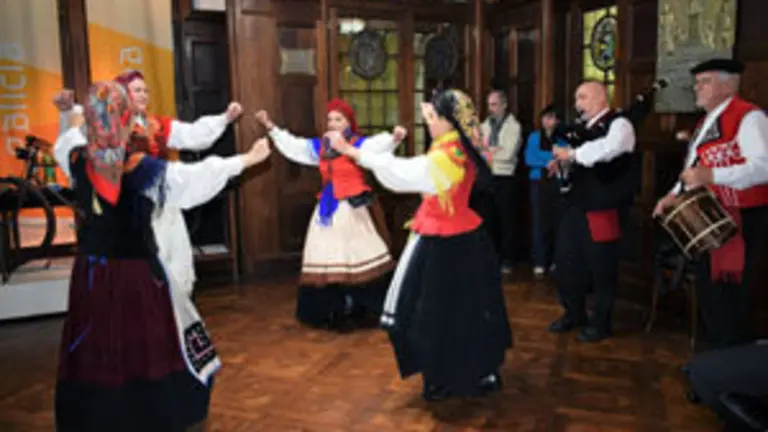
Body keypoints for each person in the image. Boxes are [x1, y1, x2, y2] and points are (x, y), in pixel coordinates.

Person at [52, 81, 271, 431]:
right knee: (143, 339)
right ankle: (147, 410)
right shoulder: (138, 168)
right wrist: (246, 159)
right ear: (124, 119)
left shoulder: (77, 157)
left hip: (91, 272)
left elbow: (64, 143)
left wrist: (69, 115)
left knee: (98, 339)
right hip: (134, 272)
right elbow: (189, 180)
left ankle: (94, 414)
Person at [328, 88, 512, 401]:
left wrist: (353, 151)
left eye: (431, 117)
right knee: (452, 312)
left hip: (449, 244)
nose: (427, 123)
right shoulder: (451, 146)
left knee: (438, 313)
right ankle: (454, 373)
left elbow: (405, 174)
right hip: (451, 238)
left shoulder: (450, 154)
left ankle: (452, 375)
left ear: (448, 120)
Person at [254, 101, 402, 331]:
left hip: (353, 207)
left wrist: (394, 138)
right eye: (330, 119)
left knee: (358, 254)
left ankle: (363, 307)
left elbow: (378, 149)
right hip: (327, 207)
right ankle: (332, 310)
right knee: (325, 255)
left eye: (338, 119)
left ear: (348, 123)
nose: (333, 123)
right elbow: (294, 146)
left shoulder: (358, 144)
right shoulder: (320, 146)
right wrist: (270, 126)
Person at [653, 58, 768, 349]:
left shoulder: (749, 117)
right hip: (709, 217)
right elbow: (693, 167)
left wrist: (714, 175)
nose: (697, 88)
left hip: (742, 220)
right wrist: (673, 194)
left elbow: (763, 167)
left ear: (728, 84)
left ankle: (734, 378)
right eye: (698, 82)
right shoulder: (706, 122)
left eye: (705, 82)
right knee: (710, 297)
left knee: (731, 300)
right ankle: (716, 369)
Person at [548, 80, 636, 343]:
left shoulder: (620, 124)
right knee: (567, 261)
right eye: (577, 99)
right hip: (576, 206)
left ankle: (601, 322)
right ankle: (574, 313)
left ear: (600, 98)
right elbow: (576, 164)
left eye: (583, 98)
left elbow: (608, 150)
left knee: (601, 267)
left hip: (604, 207)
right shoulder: (580, 130)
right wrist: (562, 165)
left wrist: (572, 155)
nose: (578, 104)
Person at [479, 90, 522, 273]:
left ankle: (507, 260)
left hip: (505, 177)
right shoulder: (483, 125)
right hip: (488, 177)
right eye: (489, 104)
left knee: (507, 220)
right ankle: (491, 257)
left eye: (495, 104)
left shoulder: (514, 126)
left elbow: (508, 154)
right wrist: (493, 151)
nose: (491, 109)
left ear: (504, 105)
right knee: (488, 219)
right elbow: (478, 151)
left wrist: (488, 152)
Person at [524, 104, 568, 278]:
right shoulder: (534, 137)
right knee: (539, 222)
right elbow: (529, 157)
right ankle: (539, 261)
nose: (546, 121)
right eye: (544, 117)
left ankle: (557, 260)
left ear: (558, 120)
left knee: (558, 222)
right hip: (538, 182)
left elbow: (566, 154)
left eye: (550, 118)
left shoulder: (564, 137)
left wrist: (555, 159)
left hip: (558, 183)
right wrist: (550, 160)